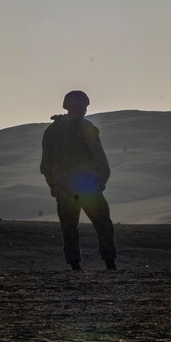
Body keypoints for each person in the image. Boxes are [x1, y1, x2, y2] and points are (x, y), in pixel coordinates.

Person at [40, 90, 117, 271]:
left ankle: (75, 266)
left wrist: (53, 184)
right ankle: (110, 263)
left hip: (63, 185)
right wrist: (101, 180)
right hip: (86, 184)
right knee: (103, 223)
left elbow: (45, 163)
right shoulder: (86, 127)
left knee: (69, 226)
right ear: (83, 107)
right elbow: (99, 157)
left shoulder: (51, 130)